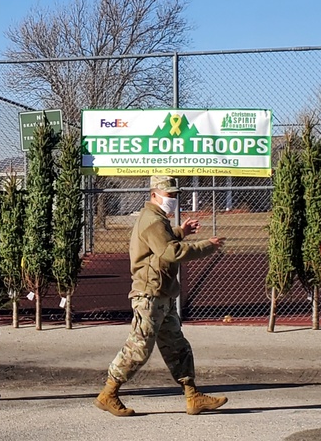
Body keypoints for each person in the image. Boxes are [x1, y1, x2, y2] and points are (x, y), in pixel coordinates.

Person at [95, 176, 227, 417]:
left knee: (177, 346)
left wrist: (180, 231)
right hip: (149, 295)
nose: (173, 200)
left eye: (175, 196)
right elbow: (169, 252)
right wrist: (206, 245)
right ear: (154, 195)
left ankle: (193, 396)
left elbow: (161, 242)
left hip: (161, 294)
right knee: (139, 347)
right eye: (169, 195)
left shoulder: (156, 219)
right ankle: (109, 393)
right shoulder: (152, 220)